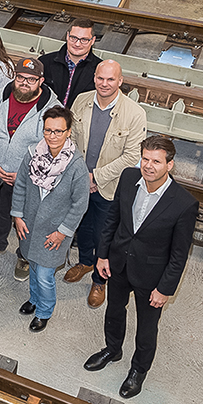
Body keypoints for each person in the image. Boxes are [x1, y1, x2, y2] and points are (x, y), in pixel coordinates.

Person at [84, 136, 198, 399]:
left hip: (152, 275)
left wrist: (164, 289)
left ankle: (138, 370)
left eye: (156, 161)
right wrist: (103, 256)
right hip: (119, 262)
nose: (148, 166)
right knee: (114, 310)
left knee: (147, 328)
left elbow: (179, 255)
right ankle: (113, 349)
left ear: (170, 165)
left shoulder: (184, 203)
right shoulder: (128, 177)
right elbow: (113, 219)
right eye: (145, 158)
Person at [67, 60, 147, 308]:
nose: (104, 83)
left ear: (120, 81)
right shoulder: (81, 101)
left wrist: (96, 177)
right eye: (100, 78)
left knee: (105, 234)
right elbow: (70, 139)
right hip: (80, 179)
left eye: (111, 79)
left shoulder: (135, 114)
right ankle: (85, 261)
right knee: (83, 226)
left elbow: (132, 157)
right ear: (94, 77)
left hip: (109, 187)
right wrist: (83, 175)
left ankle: (99, 280)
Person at [0, 58, 60, 282]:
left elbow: (54, 150)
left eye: (31, 79)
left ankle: (25, 256)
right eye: (20, 77)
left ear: (41, 81)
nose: (24, 83)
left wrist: (26, 174)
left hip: (29, 174)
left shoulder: (53, 109)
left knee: (28, 218)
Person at [13, 106, 89, 332]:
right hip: (29, 224)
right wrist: (17, 216)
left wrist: (62, 232)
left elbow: (80, 204)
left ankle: (44, 311)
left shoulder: (76, 165)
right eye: (48, 130)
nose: (52, 136)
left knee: (45, 274)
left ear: (68, 132)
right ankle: (34, 299)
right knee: (33, 266)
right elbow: (20, 185)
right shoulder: (32, 154)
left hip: (55, 231)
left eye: (58, 131)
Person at [40, 18, 102, 108]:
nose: (77, 44)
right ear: (67, 36)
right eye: (73, 38)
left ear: (92, 40)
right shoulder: (44, 62)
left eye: (84, 39)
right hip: (46, 115)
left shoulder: (100, 69)